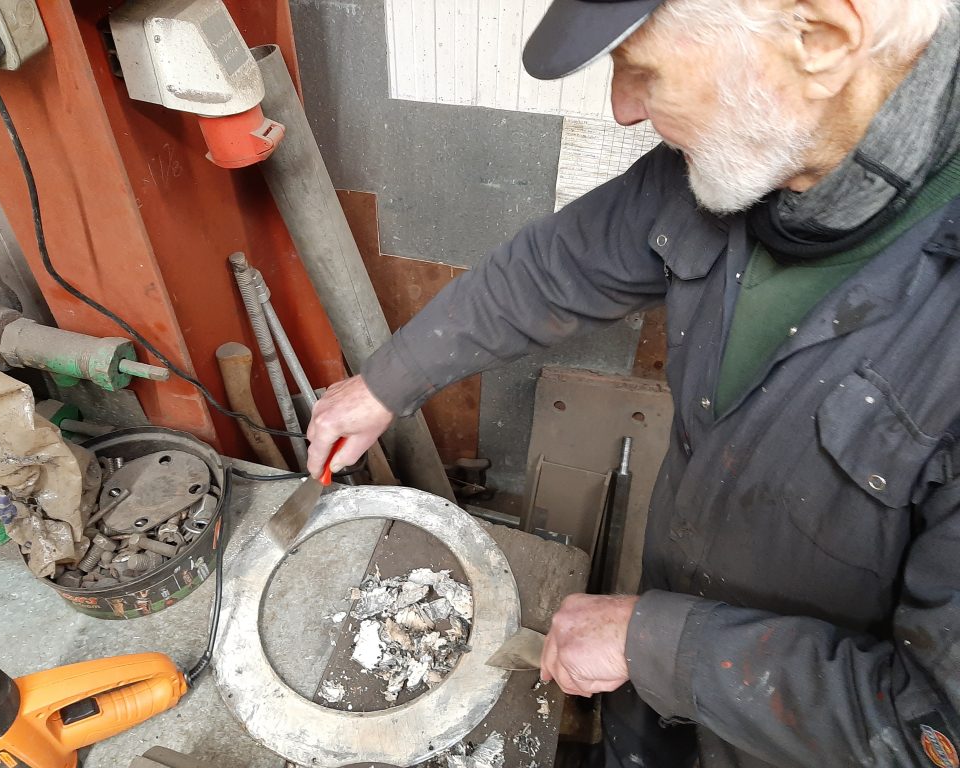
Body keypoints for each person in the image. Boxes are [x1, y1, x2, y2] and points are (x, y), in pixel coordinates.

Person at [306, 0, 960, 765]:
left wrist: (653, 645)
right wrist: (384, 384)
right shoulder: (749, 158)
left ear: (817, 37)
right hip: (659, 670)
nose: (620, 111)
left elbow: (936, 731)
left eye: (642, 69)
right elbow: (551, 271)